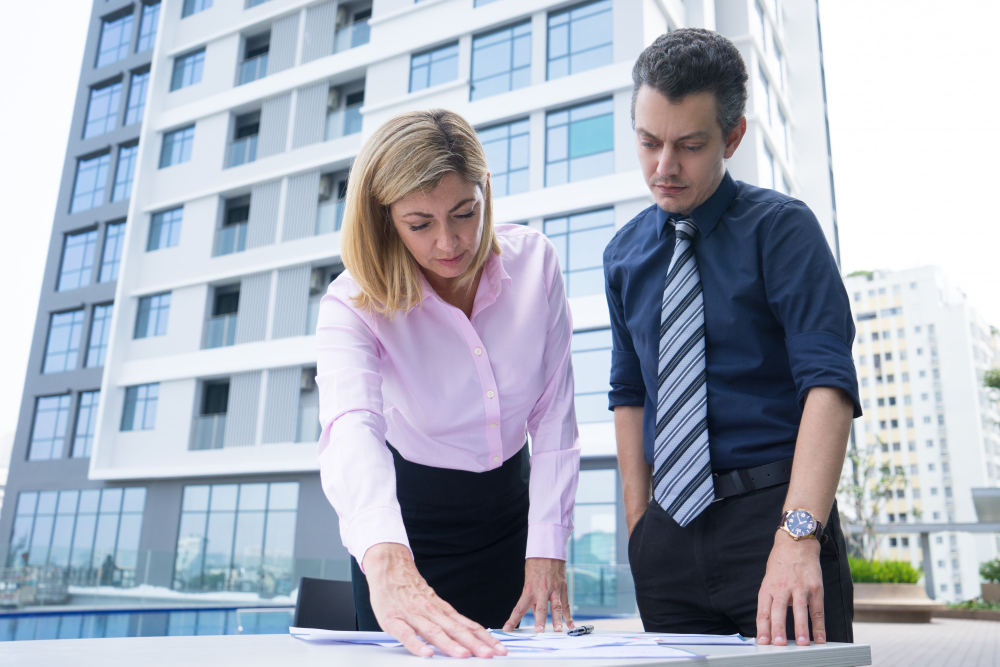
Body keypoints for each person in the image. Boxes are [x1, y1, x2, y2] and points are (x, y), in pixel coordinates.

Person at [604, 29, 861, 646]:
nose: (663, 167)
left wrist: (799, 537)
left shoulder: (782, 230)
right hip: (669, 537)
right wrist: (642, 527)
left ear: (733, 137)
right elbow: (628, 391)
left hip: (774, 518)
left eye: (689, 146)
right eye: (648, 142)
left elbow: (828, 384)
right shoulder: (622, 256)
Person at [315, 109, 581, 659]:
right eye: (420, 224)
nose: (448, 243)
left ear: (486, 189)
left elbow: (554, 414)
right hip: (408, 529)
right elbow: (352, 427)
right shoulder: (351, 303)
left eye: (464, 213)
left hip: (512, 515)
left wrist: (548, 544)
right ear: (385, 217)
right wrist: (386, 560)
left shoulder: (536, 263)